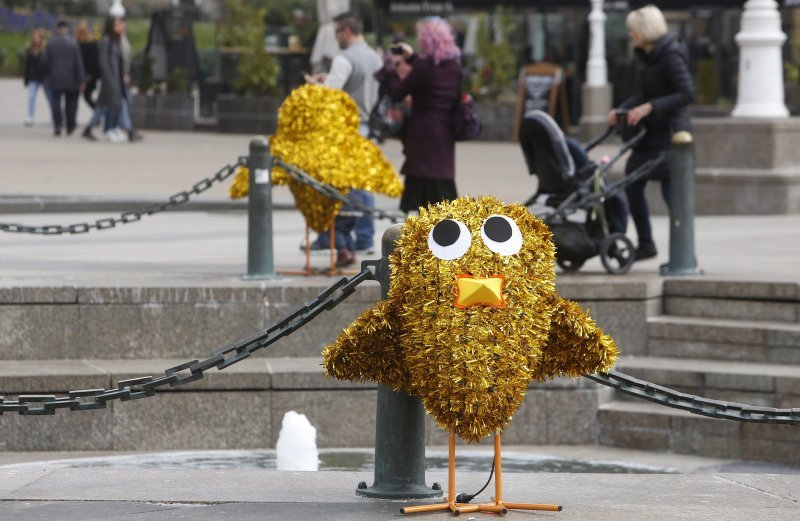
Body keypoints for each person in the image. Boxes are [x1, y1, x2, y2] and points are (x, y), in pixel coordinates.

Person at [607, 4, 694, 261]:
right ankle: (646, 244)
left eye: (632, 30)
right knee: (632, 186)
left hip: (671, 137)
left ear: (644, 30)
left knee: (673, 197)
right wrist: (622, 110)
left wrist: (650, 107)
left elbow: (687, 94)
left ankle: (685, 253)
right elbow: (641, 95)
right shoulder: (645, 56)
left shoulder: (671, 56)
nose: (630, 34)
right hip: (648, 137)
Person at [304, 12, 382, 267]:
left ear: (347, 31)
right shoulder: (374, 57)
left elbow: (331, 94)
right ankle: (364, 236)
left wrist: (316, 85)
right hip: (370, 126)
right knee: (363, 184)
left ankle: (339, 238)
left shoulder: (344, 58)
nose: (336, 37)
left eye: (337, 32)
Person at [375, 16, 461, 214]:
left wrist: (392, 69)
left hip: (423, 132)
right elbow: (433, 73)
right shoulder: (453, 65)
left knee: (419, 184)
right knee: (442, 184)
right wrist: (412, 57)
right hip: (445, 130)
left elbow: (398, 92)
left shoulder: (423, 67)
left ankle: (417, 235)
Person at [43, 20, 85, 136]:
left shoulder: (51, 44)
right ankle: (70, 125)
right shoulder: (73, 44)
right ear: (67, 29)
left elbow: (45, 62)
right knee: (71, 104)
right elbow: (79, 63)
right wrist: (81, 80)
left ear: (57, 29)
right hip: (71, 80)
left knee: (55, 103)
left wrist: (47, 75)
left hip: (55, 78)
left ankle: (58, 124)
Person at [89, 16, 126, 143]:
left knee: (112, 105)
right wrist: (109, 77)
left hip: (116, 78)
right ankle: (109, 129)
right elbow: (103, 62)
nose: (120, 27)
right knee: (111, 105)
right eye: (116, 25)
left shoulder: (116, 41)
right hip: (110, 79)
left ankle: (111, 128)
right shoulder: (107, 41)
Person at [23, 28, 48, 126]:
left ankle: (55, 116)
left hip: (43, 77)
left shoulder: (45, 48)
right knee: (31, 97)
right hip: (33, 77)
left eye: (38, 37)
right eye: (34, 37)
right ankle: (30, 116)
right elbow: (27, 65)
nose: (36, 39)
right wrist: (26, 79)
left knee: (50, 97)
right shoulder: (29, 49)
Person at [75, 21, 99, 111]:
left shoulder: (91, 44)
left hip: (88, 75)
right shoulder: (78, 43)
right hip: (82, 74)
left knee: (87, 96)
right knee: (84, 97)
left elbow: (93, 61)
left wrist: (90, 75)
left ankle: (97, 112)